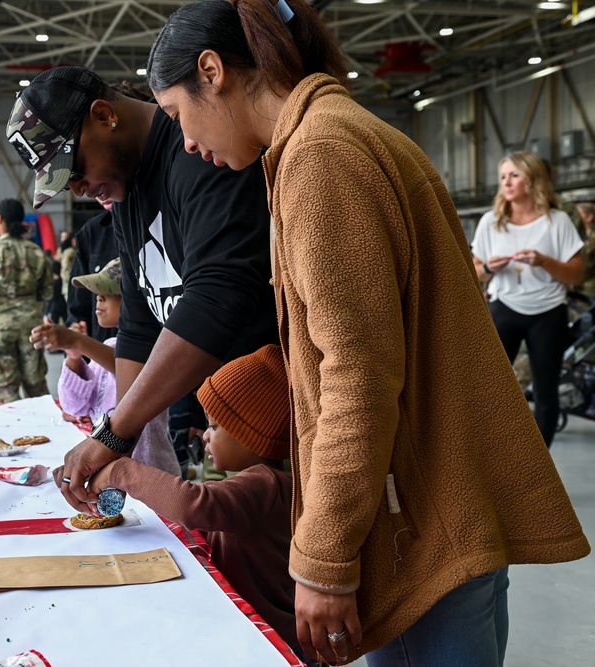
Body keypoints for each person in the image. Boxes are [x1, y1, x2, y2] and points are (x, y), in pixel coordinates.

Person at [144, 1, 590, 664]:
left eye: (178, 114)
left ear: (213, 71)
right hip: (441, 505)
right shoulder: (339, 132)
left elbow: (356, 374)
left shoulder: (318, 157)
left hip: (420, 526)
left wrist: (322, 556)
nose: (185, 143)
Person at [6, 64, 278, 512]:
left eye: (73, 170)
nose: (77, 190)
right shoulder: (127, 194)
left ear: (103, 115)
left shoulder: (198, 149)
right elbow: (138, 324)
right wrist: (119, 440)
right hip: (229, 428)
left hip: (281, 424)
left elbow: (217, 299)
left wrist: (115, 430)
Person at [75, 345, 303, 661]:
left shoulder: (263, 485)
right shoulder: (259, 481)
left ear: (252, 435)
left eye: (215, 427)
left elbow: (193, 505)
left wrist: (120, 470)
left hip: (266, 638)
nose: (205, 437)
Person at [473, 152, 584, 447]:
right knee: (490, 384)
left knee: (546, 391)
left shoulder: (557, 222)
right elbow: (473, 270)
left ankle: (541, 463)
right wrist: (487, 268)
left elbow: (576, 275)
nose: (507, 183)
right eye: (503, 177)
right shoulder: (491, 222)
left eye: (514, 175)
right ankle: (491, 451)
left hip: (548, 313)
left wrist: (544, 261)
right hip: (504, 308)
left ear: (532, 180)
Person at [34, 259, 180, 475]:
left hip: (151, 473)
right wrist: (74, 357)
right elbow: (74, 407)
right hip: (112, 472)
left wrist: (78, 342)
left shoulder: (156, 347)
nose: (99, 298)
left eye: (109, 292)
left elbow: (130, 368)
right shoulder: (107, 347)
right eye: (97, 293)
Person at [0, 199, 53, 404]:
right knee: (36, 388)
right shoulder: (36, 252)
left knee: (5, 393)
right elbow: (47, 292)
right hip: (31, 328)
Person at [66, 199, 119, 344]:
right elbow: (78, 307)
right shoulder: (92, 233)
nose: (99, 297)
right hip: (102, 351)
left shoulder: (162, 225)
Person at [575, 201, 595, 296]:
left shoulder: (592, 239)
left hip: (588, 291)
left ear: (589, 217)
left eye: (578, 214)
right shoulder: (577, 236)